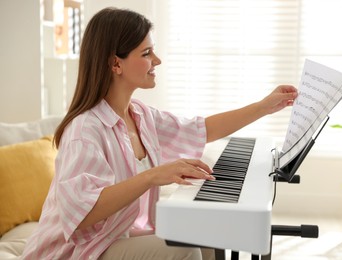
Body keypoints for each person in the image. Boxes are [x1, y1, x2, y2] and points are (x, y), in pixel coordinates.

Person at [22, 7, 298, 260]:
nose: (158, 60)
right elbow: (82, 213)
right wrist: (152, 176)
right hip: (79, 251)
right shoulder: (85, 130)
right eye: (146, 54)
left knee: (205, 235)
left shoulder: (141, 115)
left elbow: (203, 129)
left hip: (117, 237)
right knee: (185, 250)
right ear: (115, 64)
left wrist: (264, 106)